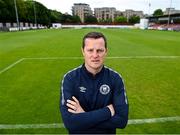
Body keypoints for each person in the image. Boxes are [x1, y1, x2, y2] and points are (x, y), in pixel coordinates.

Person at [60, 32, 129, 134]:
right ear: (83, 51)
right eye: (90, 50)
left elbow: (121, 121)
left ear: (106, 51)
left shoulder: (115, 78)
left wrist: (83, 117)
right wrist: (107, 111)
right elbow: (70, 122)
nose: (95, 55)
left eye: (100, 50)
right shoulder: (70, 78)